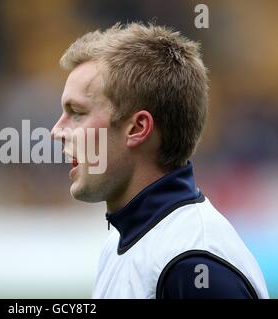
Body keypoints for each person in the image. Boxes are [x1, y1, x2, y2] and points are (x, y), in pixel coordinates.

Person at [50, 22, 269, 299]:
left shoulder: (192, 266)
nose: (56, 131)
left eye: (77, 112)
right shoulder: (125, 241)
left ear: (138, 128)